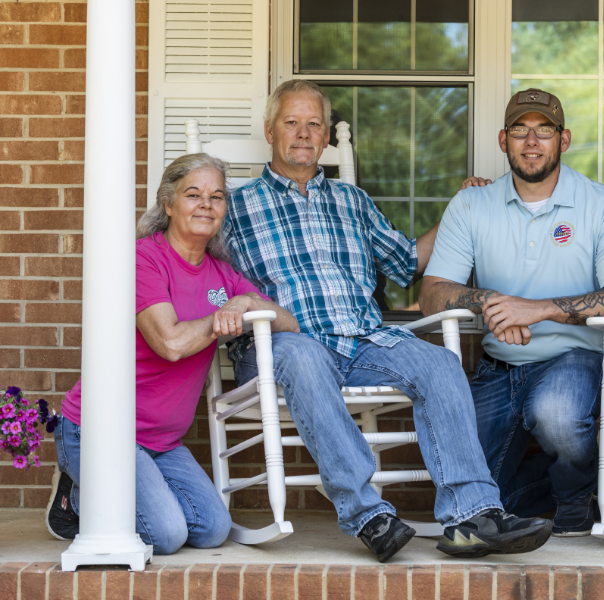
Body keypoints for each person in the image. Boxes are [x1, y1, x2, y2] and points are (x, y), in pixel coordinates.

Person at [220, 79, 552, 563]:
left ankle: (472, 517)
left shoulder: (353, 202)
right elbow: (189, 265)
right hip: (284, 345)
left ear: (327, 136)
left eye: (315, 124)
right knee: (303, 353)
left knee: (439, 364)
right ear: (270, 130)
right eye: (292, 122)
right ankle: (368, 515)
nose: (304, 133)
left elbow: (406, 261)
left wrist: (460, 208)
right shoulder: (234, 207)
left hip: (362, 342)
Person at [418, 88, 604, 537]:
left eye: (543, 130)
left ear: (563, 140)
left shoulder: (603, 205)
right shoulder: (471, 205)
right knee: (473, 498)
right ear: (503, 140)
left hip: (574, 358)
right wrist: (493, 306)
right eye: (521, 131)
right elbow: (432, 293)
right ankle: (573, 481)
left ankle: (574, 495)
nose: (531, 141)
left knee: (557, 415)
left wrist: (537, 310)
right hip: (498, 365)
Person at [46, 154, 299, 554]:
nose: (206, 205)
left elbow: (289, 323)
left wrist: (248, 299)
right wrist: (222, 316)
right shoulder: (144, 258)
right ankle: (76, 499)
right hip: (101, 430)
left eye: (217, 197)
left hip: (163, 443)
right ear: (168, 203)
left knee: (212, 529)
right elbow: (171, 343)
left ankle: (122, 487)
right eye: (193, 194)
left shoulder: (222, 274)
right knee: (166, 535)